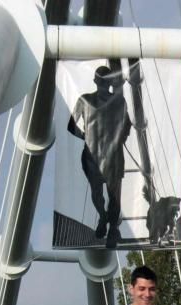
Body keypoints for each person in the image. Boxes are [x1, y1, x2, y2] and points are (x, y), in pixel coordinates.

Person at [67, 65, 132, 249]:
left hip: (113, 156)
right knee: (98, 194)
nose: (104, 84)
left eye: (106, 81)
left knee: (114, 197)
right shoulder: (84, 100)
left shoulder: (120, 102)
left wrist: (119, 139)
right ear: (97, 82)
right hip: (92, 157)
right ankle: (103, 218)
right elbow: (71, 125)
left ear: (110, 82)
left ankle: (112, 230)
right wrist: (85, 137)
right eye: (102, 81)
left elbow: (127, 125)